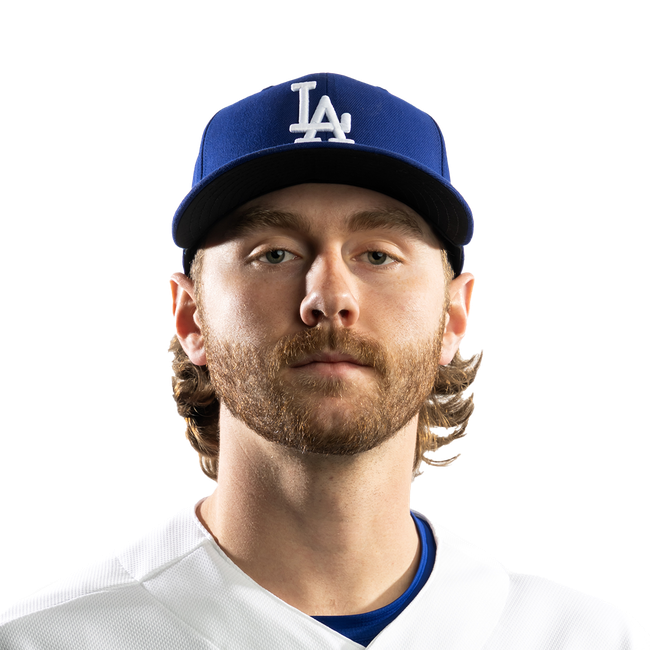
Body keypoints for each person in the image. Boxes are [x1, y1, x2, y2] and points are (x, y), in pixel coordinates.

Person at [1, 72, 647, 649]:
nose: (330, 297)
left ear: (455, 315)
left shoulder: (590, 641)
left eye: (378, 255)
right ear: (191, 317)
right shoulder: (43, 642)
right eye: (274, 254)